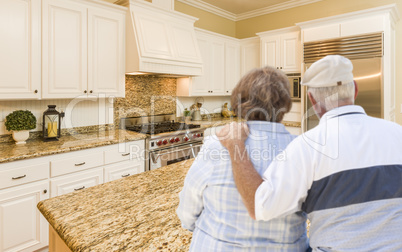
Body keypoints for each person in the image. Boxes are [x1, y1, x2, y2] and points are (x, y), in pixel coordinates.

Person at [217, 55, 402, 251]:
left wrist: (236, 144)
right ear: (355, 89)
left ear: (312, 99)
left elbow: (261, 206)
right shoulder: (398, 133)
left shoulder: (306, 146)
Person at [176, 66, 309, 251]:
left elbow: (188, 210)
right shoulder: (304, 152)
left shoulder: (216, 146)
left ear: (238, 102)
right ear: (286, 103)